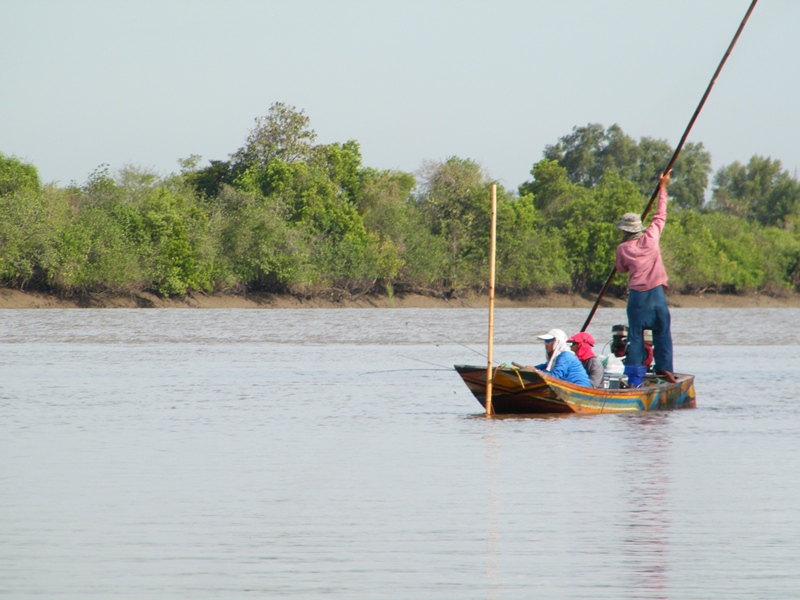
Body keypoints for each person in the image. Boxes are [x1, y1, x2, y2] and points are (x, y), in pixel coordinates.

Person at [615, 170, 676, 383]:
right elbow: (661, 214)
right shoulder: (651, 237)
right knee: (662, 333)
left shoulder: (622, 248)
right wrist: (663, 188)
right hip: (657, 296)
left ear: (625, 230)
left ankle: (634, 376)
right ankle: (664, 369)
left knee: (635, 337)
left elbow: (621, 269)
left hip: (637, 298)